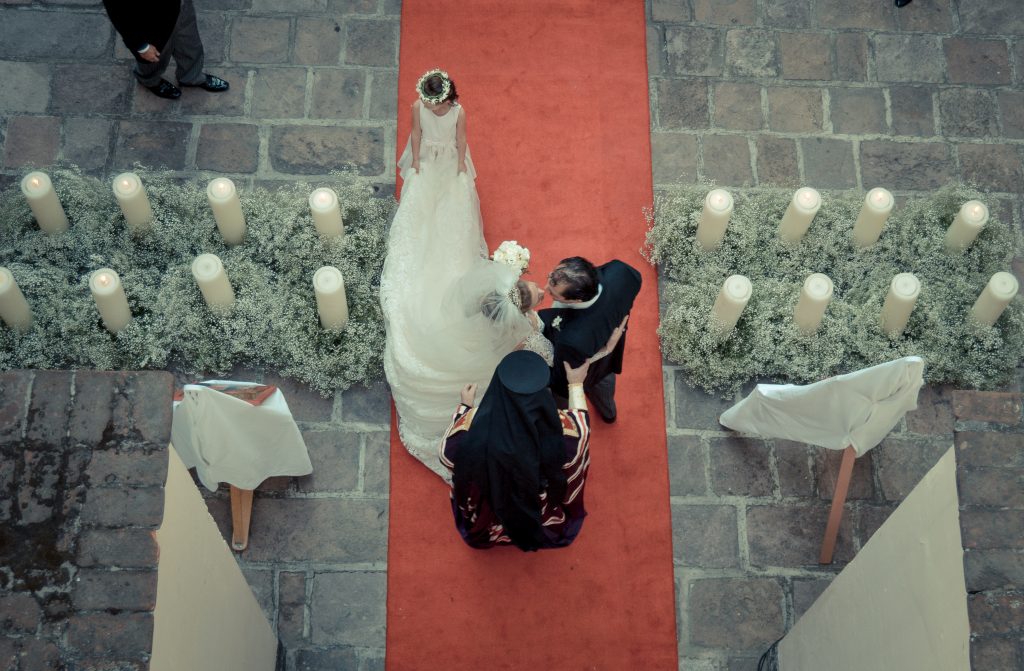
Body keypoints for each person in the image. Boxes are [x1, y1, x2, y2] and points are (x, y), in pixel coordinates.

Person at [380, 69, 552, 480]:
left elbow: (461, 142)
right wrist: (417, 165)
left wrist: (460, 169)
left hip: (449, 164)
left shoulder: (459, 113)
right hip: (429, 162)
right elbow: (416, 135)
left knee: (454, 214)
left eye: (438, 102)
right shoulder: (417, 108)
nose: (434, 107)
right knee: (424, 215)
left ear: (448, 97)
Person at [439, 351, 594, 551]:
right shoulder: (567, 433)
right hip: (538, 506)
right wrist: (575, 384)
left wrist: (465, 407)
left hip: (491, 504)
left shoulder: (467, 430)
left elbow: (446, 456)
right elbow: (582, 426)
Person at [540, 257, 641, 423]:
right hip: (606, 362)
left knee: (565, 400)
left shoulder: (571, 339)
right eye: (549, 277)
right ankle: (609, 414)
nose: (545, 289)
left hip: (581, 370)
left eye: (553, 293)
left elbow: (561, 381)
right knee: (604, 383)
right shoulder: (621, 271)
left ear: (576, 300)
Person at [102, 0, 229, 100]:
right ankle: (150, 81)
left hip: (179, 5)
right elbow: (117, 11)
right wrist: (141, 46)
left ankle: (191, 77)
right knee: (155, 58)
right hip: (150, 22)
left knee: (191, 44)